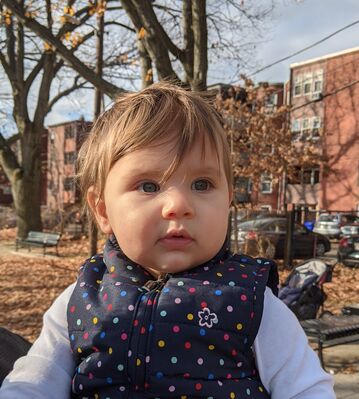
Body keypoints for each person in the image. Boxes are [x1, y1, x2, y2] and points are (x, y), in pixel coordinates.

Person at [0, 82, 334, 398]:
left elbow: (307, 388)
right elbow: (33, 381)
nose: (179, 205)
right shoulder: (83, 298)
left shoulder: (252, 302)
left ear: (228, 201)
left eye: (202, 184)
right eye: (148, 186)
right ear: (103, 210)